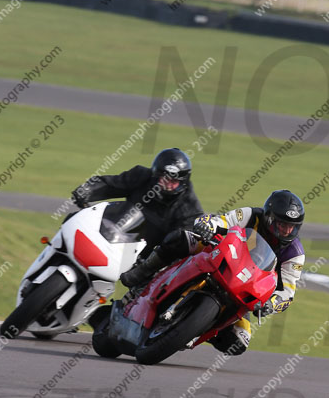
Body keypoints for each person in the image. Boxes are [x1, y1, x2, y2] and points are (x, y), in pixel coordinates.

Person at [121, 189, 306, 356]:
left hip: (245, 287)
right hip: (221, 256)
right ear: (268, 216)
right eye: (281, 224)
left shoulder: (294, 254)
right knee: (182, 239)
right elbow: (223, 220)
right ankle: (144, 271)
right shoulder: (251, 215)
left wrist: (271, 304)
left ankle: (198, 328)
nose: (286, 230)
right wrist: (208, 225)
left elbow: (287, 292)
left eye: (292, 226)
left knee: (238, 343)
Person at [71, 147, 204, 257]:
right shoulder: (141, 176)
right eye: (164, 179)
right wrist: (87, 190)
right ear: (156, 174)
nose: (168, 185)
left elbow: (181, 243)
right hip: (111, 238)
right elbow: (111, 184)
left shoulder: (190, 210)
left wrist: (151, 264)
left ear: (183, 182)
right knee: (73, 221)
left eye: (174, 182)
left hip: (145, 260)